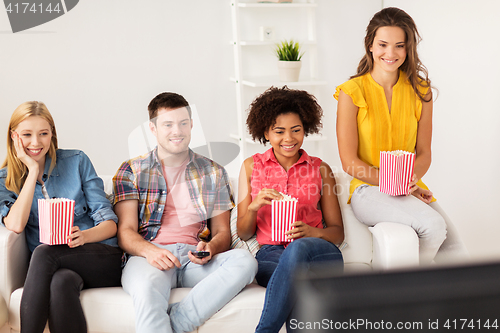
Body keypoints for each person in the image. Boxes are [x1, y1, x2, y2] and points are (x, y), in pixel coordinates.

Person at [113, 92, 257, 333]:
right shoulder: (132, 170)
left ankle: (178, 321)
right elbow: (125, 232)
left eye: (182, 123)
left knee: (245, 262)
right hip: (149, 258)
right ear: (153, 128)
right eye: (167, 124)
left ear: (191, 125)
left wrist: (210, 248)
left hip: (194, 260)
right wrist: (151, 252)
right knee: (147, 289)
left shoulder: (214, 172)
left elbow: (222, 232)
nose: (176, 131)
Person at [335, 7, 468, 264]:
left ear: (408, 49)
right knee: (432, 226)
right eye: (383, 44)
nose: (391, 53)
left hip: (410, 187)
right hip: (367, 190)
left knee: (456, 254)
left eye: (399, 46)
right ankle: (411, 297)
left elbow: (424, 153)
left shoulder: (421, 90)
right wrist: (393, 182)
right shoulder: (350, 92)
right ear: (370, 45)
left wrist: (411, 181)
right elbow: (349, 162)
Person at [0, 101, 122, 333]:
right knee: (60, 281)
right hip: (55, 268)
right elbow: (15, 224)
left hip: (101, 257)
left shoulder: (76, 161)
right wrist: (32, 171)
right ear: (14, 137)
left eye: (43, 134)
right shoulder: (4, 180)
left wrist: (84, 236)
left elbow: (110, 225)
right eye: (27, 134)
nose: (36, 143)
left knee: (44, 252)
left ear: (52, 135)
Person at [237, 86, 344, 333]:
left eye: (296, 130)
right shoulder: (251, 167)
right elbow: (243, 233)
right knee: (297, 283)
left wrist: (311, 232)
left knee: (298, 248)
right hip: (270, 254)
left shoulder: (321, 169)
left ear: (306, 128)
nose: (289, 138)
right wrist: (253, 207)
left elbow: (337, 233)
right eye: (279, 131)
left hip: (319, 253)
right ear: (266, 131)